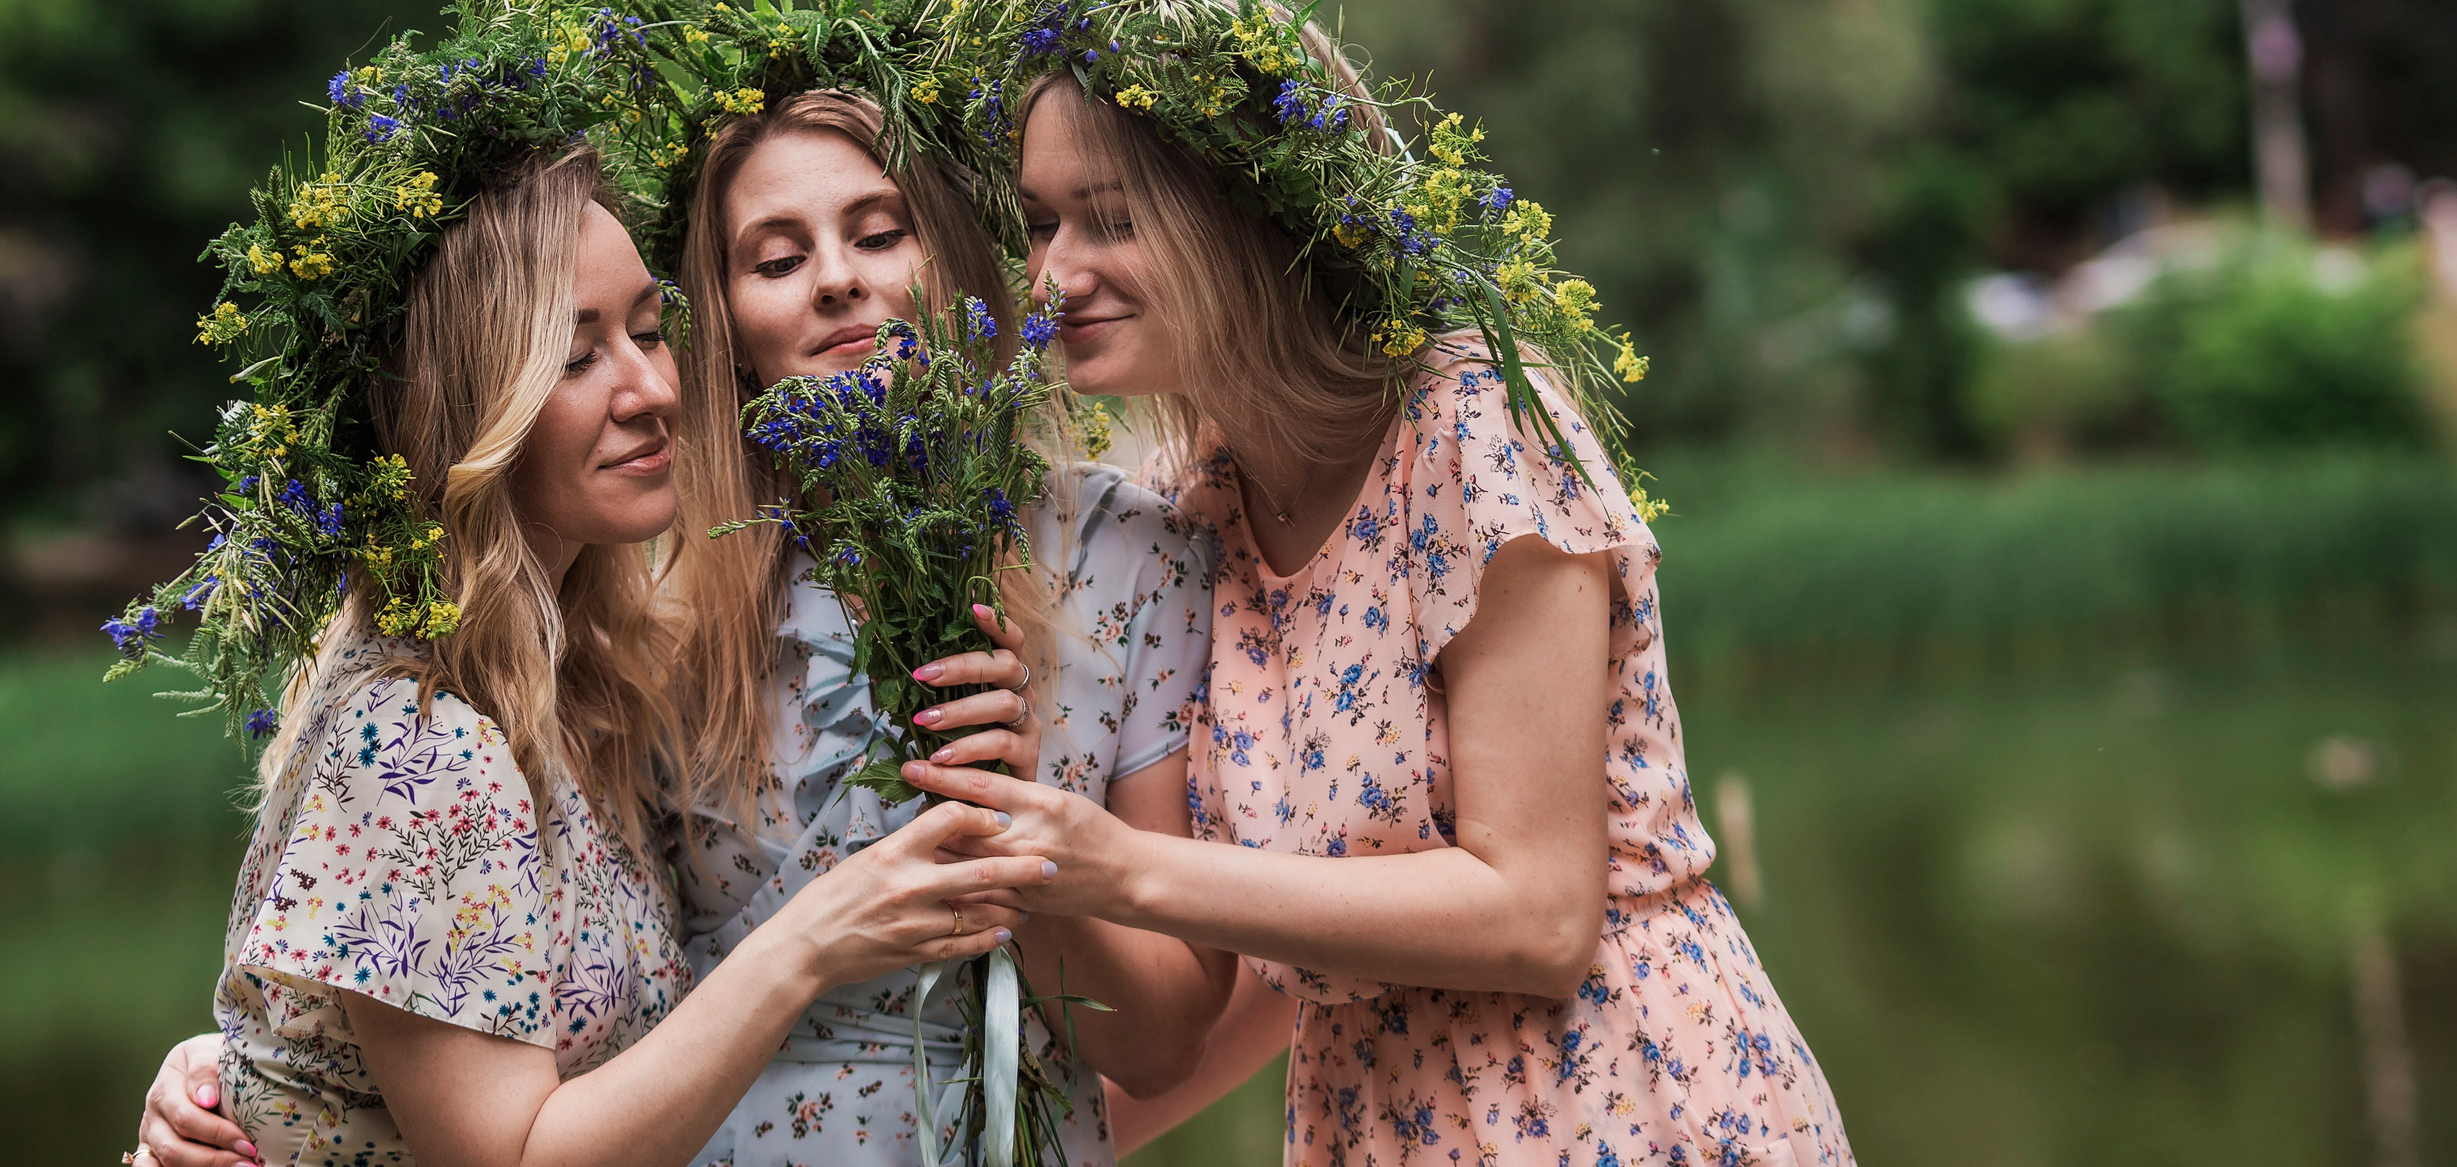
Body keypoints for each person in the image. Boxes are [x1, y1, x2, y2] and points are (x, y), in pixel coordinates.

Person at [138, 105, 1231, 1167]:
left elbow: (463, 1021)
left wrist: (274, 1074)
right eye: (577, 357)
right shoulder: (485, 702)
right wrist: (256, 1079)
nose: (654, 386)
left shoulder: (578, 681)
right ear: (474, 403)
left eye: (651, 336)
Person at [899, 71, 1857, 1167]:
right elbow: (1299, 937)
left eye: (1113, 219)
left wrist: (1117, 871)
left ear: (1258, 213)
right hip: (1373, 1122)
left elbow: (1539, 917)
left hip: (1609, 1102)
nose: (1052, 274)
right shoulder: (1194, 507)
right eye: (1038, 224)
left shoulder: (1470, 420)